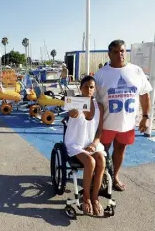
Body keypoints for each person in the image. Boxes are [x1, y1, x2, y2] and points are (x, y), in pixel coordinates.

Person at [94, 40, 152, 191]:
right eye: (115, 52)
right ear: (109, 54)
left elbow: (144, 96)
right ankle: (99, 177)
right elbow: (91, 100)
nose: (120, 54)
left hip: (127, 124)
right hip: (106, 124)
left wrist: (145, 117)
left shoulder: (136, 71)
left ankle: (114, 177)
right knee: (102, 152)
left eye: (122, 51)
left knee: (120, 150)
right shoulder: (101, 75)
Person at [65, 75, 105, 216]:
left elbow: (100, 131)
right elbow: (70, 112)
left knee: (101, 159)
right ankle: (86, 197)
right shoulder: (73, 102)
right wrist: (72, 112)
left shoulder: (99, 107)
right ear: (81, 88)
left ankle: (95, 197)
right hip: (75, 143)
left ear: (95, 90)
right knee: (90, 161)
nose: (89, 89)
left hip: (90, 143)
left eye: (91, 87)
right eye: (86, 87)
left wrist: (94, 144)